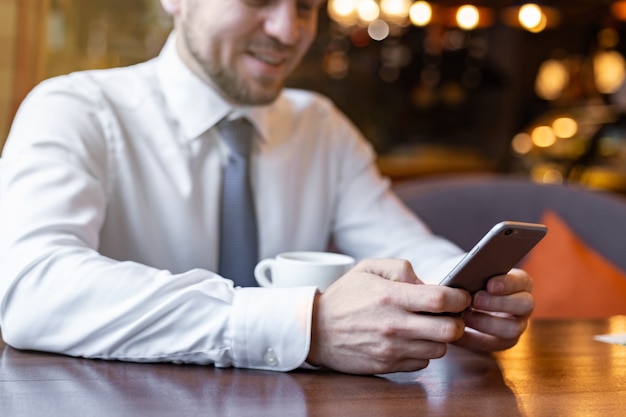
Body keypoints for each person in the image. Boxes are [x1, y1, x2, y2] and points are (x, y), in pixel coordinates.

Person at [0, 0, 534, 375]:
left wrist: (465, 292)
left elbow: (398, 241)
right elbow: (32, 289)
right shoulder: (73, 110)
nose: (287, 30)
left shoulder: (321, 125)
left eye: (305, 5)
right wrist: (307, 326)